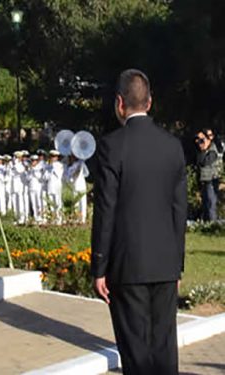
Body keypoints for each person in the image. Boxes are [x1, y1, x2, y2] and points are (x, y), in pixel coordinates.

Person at [92, 69, 186, 374]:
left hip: (127, 264)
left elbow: (106, 209)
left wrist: (99, 266)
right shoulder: (172, 146)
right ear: (150, 102)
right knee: (164, 349)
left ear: (120, 103)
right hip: (164, 263)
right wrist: (177, 264)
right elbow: (179, 209)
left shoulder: (111, 146)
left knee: (136, 353)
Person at [197, 130, 220, 221]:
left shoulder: (213, 150)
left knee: (211, 203)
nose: (201, 142)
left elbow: (205, 162)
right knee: (205, 204)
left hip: (211, 180)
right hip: (204, 180)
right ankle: (206, 224)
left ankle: (212, 224)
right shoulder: (202, 150)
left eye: (203, 140)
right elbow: (198, 161)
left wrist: (203, 150)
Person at [64, 155, 89, 224]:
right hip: (74, 187)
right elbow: (67, 177)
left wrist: (81, 166)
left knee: (82, 203)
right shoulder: (69, 167)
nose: (71, 158)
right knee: (75, 203)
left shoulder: (81, 163)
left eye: (73, 157)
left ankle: (83, 219)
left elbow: (86, 173)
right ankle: (76, 218)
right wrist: (71, 178)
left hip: (81, 186)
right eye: (70, 157)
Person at [43, 150, 64, 224]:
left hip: (57, 186)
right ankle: (53, 218)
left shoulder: (60, 165)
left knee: (58, 203)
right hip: (50, 186)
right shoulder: (48, 166)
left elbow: (59, 175)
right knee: (51, 203)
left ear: (57, 157)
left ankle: (59, 219)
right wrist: (48, 169)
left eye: (54, 157)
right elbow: (45, 177)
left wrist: (53, 166)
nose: (52, 158)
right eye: (51, 156)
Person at [10, 151, 28, 224]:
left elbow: (19, 170)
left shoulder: (22, 164)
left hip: (20, 185)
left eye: (17, 157)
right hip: (13, 185)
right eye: (16, 157)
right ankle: (16, 217)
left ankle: (22, 218)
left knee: (20, 202)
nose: (16, 159)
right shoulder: (12, 165)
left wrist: (15, 163)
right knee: (14, 202)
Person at [26, 155, 44, 223]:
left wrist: (34, 171)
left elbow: (40, 177)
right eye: (32, 161)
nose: (33, 162)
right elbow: (27, 178)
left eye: (34, 161)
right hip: (31, 188)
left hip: (38, 188)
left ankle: (40, 217)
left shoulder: (39, 168)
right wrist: (30, 171)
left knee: (39, 202)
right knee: (33, 203)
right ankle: (36, 217)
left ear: (37, 161)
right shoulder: (30, 169)